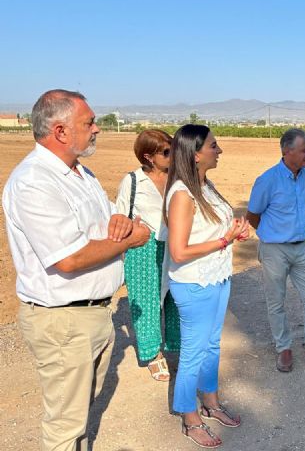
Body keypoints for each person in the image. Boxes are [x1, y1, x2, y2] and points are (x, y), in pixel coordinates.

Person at [2, 89, 150, 451]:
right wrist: (133, 239)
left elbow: (102, 228)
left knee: (80, 415)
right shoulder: (35, 181)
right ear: (60, 131)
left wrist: (119, 220)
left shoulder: (80, 173)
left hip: (92, 316)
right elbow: (68, 258)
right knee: (65, 427)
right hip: (64, 321)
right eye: (89, 123)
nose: (97, 129)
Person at [163, 124, 249, 449]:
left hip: (217, 277)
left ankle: (211, 403)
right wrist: (225, 239)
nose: (220, 150)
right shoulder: (182, 194)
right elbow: (179, 251)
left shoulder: (205, 185)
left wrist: (236, 231)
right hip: (194, 284)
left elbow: (212, 232)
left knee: (212, 345)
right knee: (192, 353)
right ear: (195, 153)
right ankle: (189, 417)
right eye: (214, 145)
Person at [247, 128, 305, 373]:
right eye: (304, 150)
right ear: (287, 152)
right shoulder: (267, 180)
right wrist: (272, 237)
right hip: (274, 250)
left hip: (302, 249)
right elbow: (253, 215)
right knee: (276, 301)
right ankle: (283, 348)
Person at [115, 129, 180, 381]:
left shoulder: (178, 178)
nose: (172, 154)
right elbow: (120, 218)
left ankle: (175, 345)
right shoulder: (132, 181)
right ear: (148, 156)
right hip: (143, 248)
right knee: (147, 301)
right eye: (166, 151)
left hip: (173, 245)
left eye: (172, 148)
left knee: (175, 299)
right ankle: (153, 354)